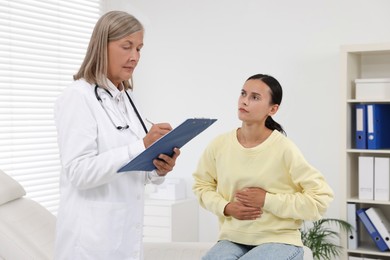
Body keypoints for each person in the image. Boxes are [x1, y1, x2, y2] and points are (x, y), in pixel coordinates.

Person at [53, 11, 180, 259]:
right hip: (91, 240)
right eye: (127, 47)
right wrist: (142, 145)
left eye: (139, 49)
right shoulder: (78, 97)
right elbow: (78, 172)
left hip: (125, 235)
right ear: (102, 46)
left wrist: (158, 168)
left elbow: (134, 169)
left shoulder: (127, 99)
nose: (135, 57)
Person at [192, 74, 334, 260]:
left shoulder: (284, 148)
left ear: (273, 109)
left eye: (255, 97)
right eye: (243, 94)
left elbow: (320, 199)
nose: (244, 101)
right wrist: (226, 207)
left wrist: (266, 200)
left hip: (280, 239)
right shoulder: (220, 144)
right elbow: (201, 186)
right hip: (233, 238)